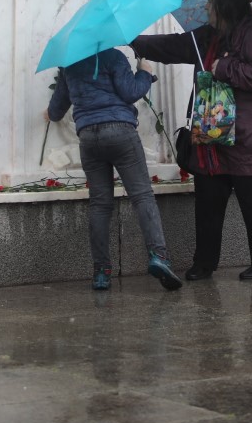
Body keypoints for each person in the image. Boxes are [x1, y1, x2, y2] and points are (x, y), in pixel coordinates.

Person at [132, 0, 252, 281]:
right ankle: (204, 264)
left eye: (210, 2)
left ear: (224, 5)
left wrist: (225, 68)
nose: (206, 7)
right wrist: (135, 41)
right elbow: (177, 45)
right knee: (207, 201)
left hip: (250, 138)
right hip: (213, 136)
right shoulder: (210, 36)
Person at [45, 48, 183, 291]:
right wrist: (145, 73)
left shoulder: (70, 65)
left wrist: (49, 113)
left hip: (88, 137)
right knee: (141, 195)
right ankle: (159, 256)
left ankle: (101, 272)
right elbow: (130, 93)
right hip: (120, 132)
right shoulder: (113, 57)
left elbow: (56, 112)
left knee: (100, 203)